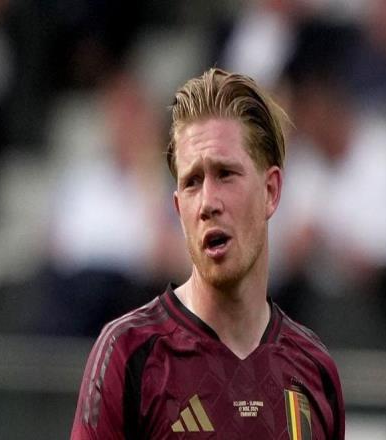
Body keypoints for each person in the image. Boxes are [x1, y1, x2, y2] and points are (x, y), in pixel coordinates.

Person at [71, 68, 344, 439]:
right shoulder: (129, 354)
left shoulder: (314, 370)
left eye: (225, 174)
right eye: (192, 182)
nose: (207, 203)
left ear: (271, 191)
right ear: (177, 208)